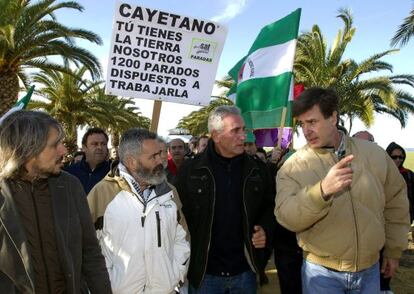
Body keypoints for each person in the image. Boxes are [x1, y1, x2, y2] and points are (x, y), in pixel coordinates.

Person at [275, 87, 410, 294]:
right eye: (302, 124)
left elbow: (396, 202)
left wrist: (393, 250)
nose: (306, 131)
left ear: (333, 118)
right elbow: (286, 216)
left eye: (312, 122)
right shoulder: (292, 166)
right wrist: (321, 192)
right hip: (321, 276)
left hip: (370, 271)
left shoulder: (373, 154)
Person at [0, 110, 111, 293]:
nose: (64, 150)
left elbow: (90, 252)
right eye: (55, 145)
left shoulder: (69, 186)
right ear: (28, 150)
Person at [175, 105, 275, 293]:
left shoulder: (258, 170)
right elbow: (178, 218)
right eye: (235, 130)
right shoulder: (190, 171)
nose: (243, 136)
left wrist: (265, 229)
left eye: (243, 129)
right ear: (216, 135)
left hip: (246, 273)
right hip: (204, 274)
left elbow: (271, 207)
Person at [87, 128, 190, 293]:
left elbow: (182, 239)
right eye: (153, 157)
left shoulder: (169, 192)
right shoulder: (102, 194)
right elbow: (87, 249)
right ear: (131, 162)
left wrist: (175, 276)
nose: (160, 162)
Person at [65, 127, 110, 194]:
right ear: (84, 147)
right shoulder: (70, 172)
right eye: (95, 144)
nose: (99, 147)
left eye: (103, 144)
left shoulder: (114, 173)